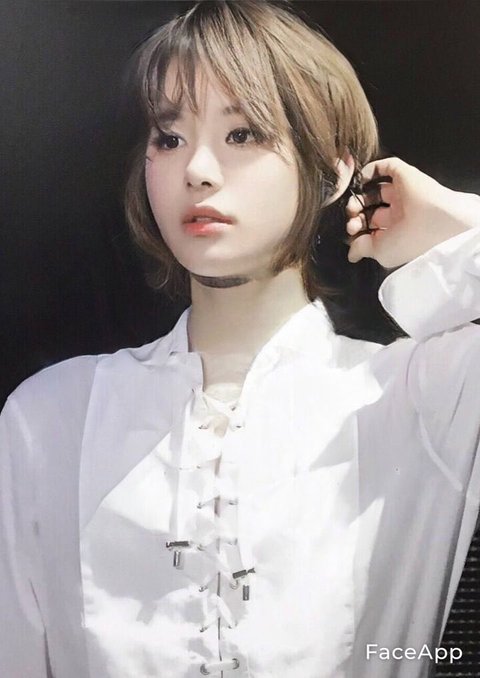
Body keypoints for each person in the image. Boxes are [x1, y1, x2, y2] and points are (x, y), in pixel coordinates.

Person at [1, 1, 480, 676]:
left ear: (332, 172)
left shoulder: (419, 399)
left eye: (243, 133)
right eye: (169, 138)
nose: (197, 169)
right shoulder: (51, 419)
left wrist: (455, 226)